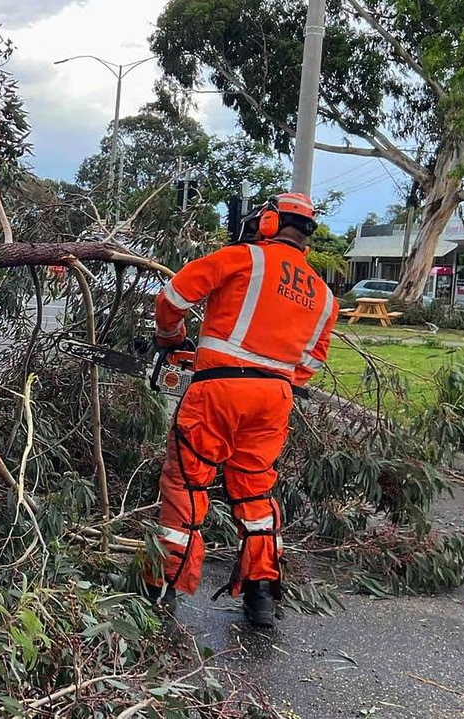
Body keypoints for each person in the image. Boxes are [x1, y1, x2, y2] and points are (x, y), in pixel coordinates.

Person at [144, 192, 338, 627]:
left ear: (268, 222)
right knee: (254, 491)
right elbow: (309, 363)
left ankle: (163, 589)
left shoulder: (241, 258)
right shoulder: (324, 295)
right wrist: (267, 373)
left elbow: (172, 298)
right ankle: (261, 594)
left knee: (188, 485)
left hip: (219, 393)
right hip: (275, 401)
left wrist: (172, 340)